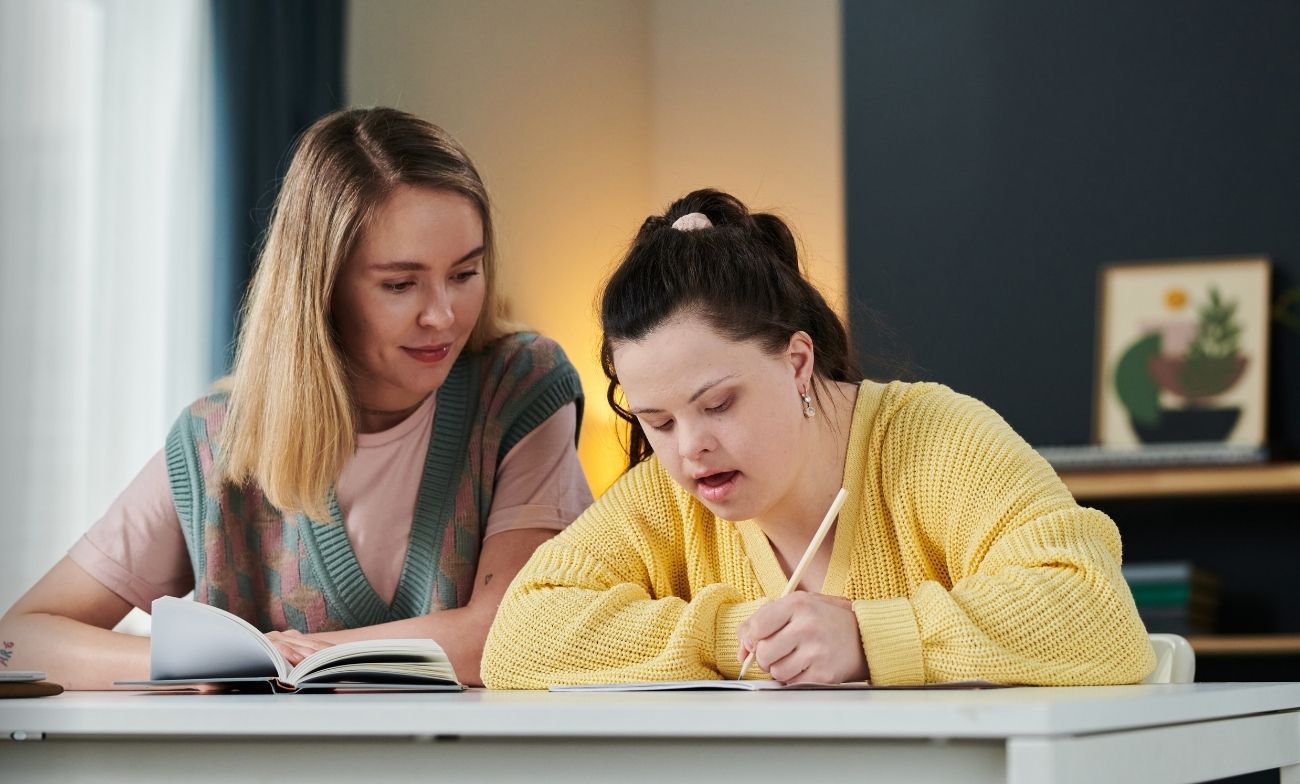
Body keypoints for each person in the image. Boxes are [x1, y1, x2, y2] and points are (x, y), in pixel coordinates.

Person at [0, 107, 591, 688]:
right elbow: (19, 638)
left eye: (465, 274)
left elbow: (507, 632)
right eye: (400, 284)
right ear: (322, 289)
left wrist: (282, 657)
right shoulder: (216, 443)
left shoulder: (520, 385)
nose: (443, 315)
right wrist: (200, 660)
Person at [481, 188, 1154, 688]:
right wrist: (730, 635)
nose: (689, 450)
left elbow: (1096, 611)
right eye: (658, 422)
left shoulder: (937, 442)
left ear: (797, 362)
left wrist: (869, 638)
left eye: (717, 404)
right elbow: (519, 637)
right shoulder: (672, 495)